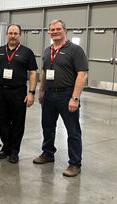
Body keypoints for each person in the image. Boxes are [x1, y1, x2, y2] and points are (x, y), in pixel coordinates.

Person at [33, 19, 88, 177]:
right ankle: (48, 153)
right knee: (47, 127)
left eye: (58, 29)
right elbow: (44, 72)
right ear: (49, 32)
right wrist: (41, 90)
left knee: (73, 131)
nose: (55, 32)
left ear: (65, 30)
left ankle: (75, 163)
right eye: (52, 30)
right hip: (49, 94)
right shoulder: (47, 50)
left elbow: (82, 74)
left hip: (67, 94)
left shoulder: (75, 50)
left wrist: (75, 98)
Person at [0, 24, 38, 163]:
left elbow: (33, 73)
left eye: (16, 33)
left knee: (17, 122)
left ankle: (15, 151)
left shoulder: (27, 52)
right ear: (6, 35)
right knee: (3, 121)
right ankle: (6, 147)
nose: (13, 36)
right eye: (10, 33)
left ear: (20, 35)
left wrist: (31, 92)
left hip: (18, 92)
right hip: (1, 91)